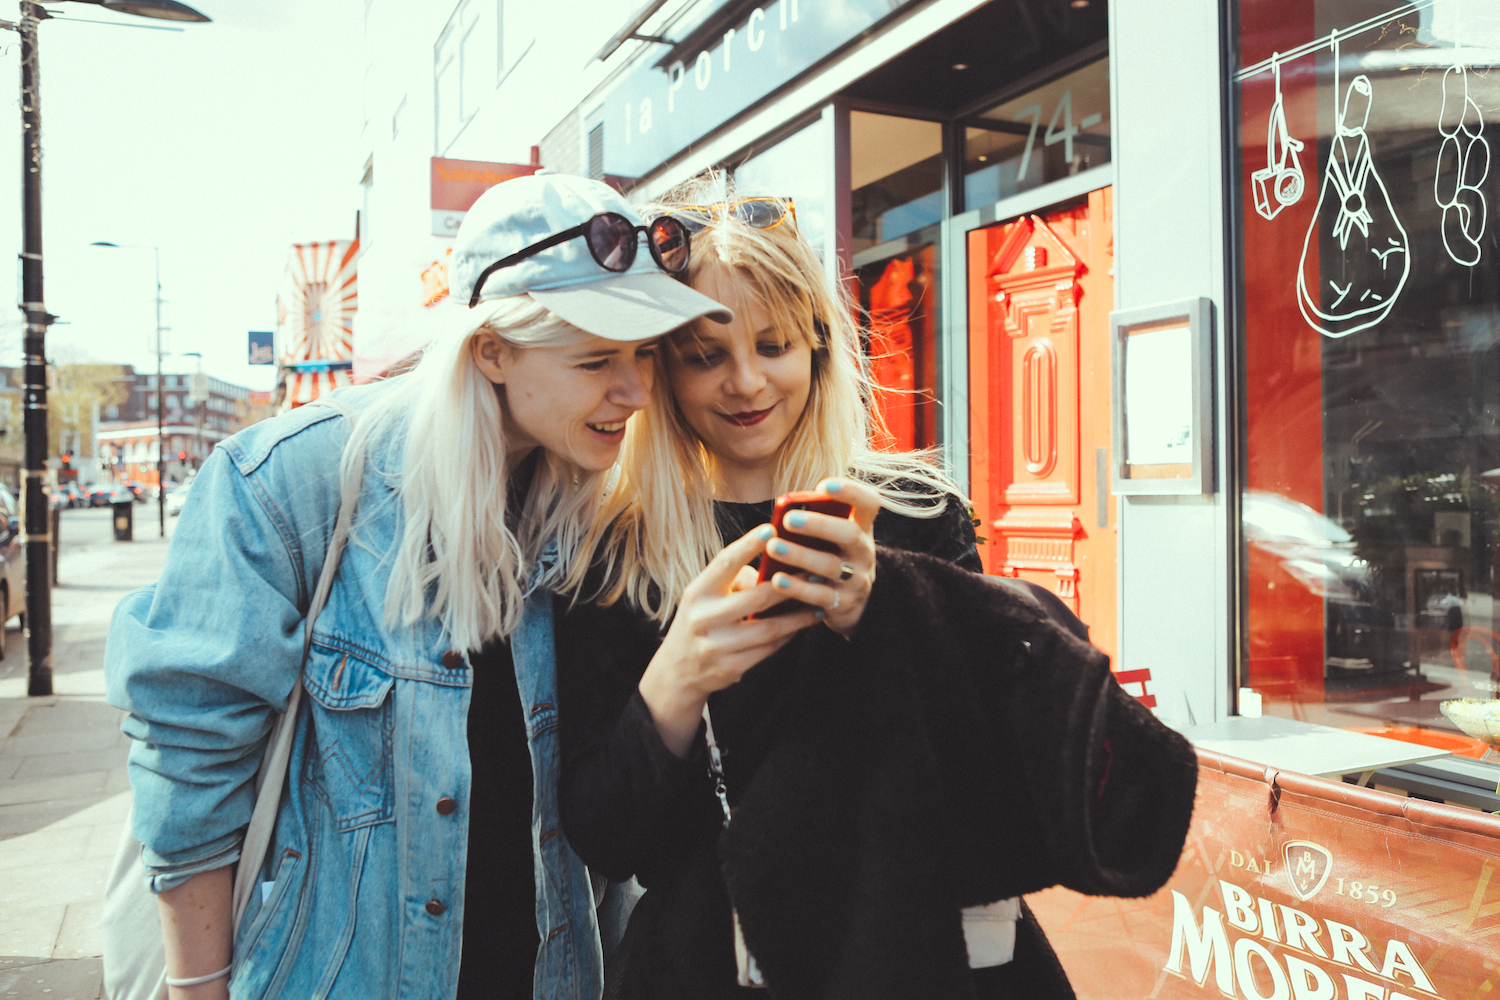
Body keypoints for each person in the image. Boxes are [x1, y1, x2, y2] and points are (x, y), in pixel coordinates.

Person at [552, 183, 1198, 998]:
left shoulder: (916, 512)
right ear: (665, 376)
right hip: (714, 964)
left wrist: (891, 607)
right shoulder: (619, 553)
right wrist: (675, 679)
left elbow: (998, 769)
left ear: (819, 346)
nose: (747, 383)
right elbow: (608, 838)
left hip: (927, 948)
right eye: (706, 356)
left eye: (775, 345)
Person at [103, 172, 732, 1000]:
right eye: (596, 360)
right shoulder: (292, 484)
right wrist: (196, 989)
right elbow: (191, 768)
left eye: (644, 354)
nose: (637, 390)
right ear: (492, 348)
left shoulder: (587, 513)